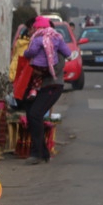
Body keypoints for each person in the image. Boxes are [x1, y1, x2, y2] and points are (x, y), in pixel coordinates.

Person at [20, 16, 72, 164]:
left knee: (35, 114)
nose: (30, 32)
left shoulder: (54, 43)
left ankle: (37, 153)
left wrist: (39, 72)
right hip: (36, 87)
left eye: (32, 28)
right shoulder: (34, 44)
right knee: (31, 115)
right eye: (30, 29)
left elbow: (57, 67)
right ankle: (42, 152)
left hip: (52, 85)